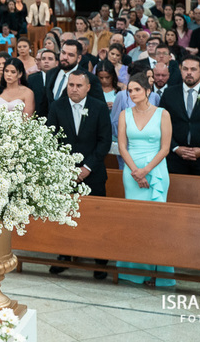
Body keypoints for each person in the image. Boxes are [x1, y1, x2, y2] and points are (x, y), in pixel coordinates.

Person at [48, 71, 111, 279]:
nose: (74, 89)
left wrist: (87, 168)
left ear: (88, 87)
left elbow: (104, 141)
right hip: (65, 173)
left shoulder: (99, 107)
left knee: (95, 217)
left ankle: (99, 258)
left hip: (93, 172)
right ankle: (65, 254)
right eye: (71, 85)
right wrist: (66, 168)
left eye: (78, 85)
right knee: (65, 214)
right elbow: (51, 139)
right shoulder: (58, 106)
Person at [116, 72, 175, 286]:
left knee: (157, 223)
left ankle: (158, 274)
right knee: (134, 221)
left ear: (148, 91)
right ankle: (133, 272)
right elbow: (122, 146)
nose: (132, 93)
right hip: (131, 172)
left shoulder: (163, 114)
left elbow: (166, 147)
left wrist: (146, 170)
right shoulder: (124, 114)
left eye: (137, 89)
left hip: (157, 170)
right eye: (129, 90)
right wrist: (135, 171)